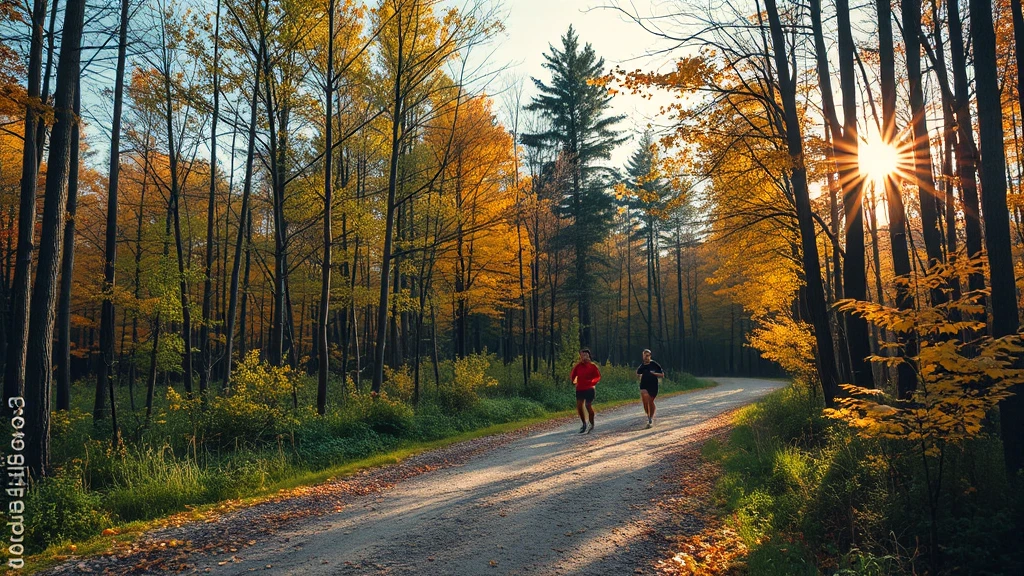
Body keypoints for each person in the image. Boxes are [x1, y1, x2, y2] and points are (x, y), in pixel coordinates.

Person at [570, 348, 600, 433]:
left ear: (589, 356)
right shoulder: (578, 366)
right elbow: (573, 375)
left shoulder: (593, 366)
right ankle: (584, 424)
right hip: (580, 388)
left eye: (586, 355)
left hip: (589, 388)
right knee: (579, 406)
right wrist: (573, 381)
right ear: (580, 356)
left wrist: (592, 382)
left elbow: (597, 376)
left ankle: (591, 423)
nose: (584, 357)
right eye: (582, 355)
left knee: (587, 405)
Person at [636, 349, 664, 428]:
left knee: (650, 401)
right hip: (644, 385)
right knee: (645, 399)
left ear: (650, 356)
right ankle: (648, 416)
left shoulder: (654, 364)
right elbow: (638, 373)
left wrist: (654, 373)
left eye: (647, 355)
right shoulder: (642, 365)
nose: (646, 357)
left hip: (653, 386)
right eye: (644, 356)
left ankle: (650, 418)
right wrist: (638, 375)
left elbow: (662, 375)